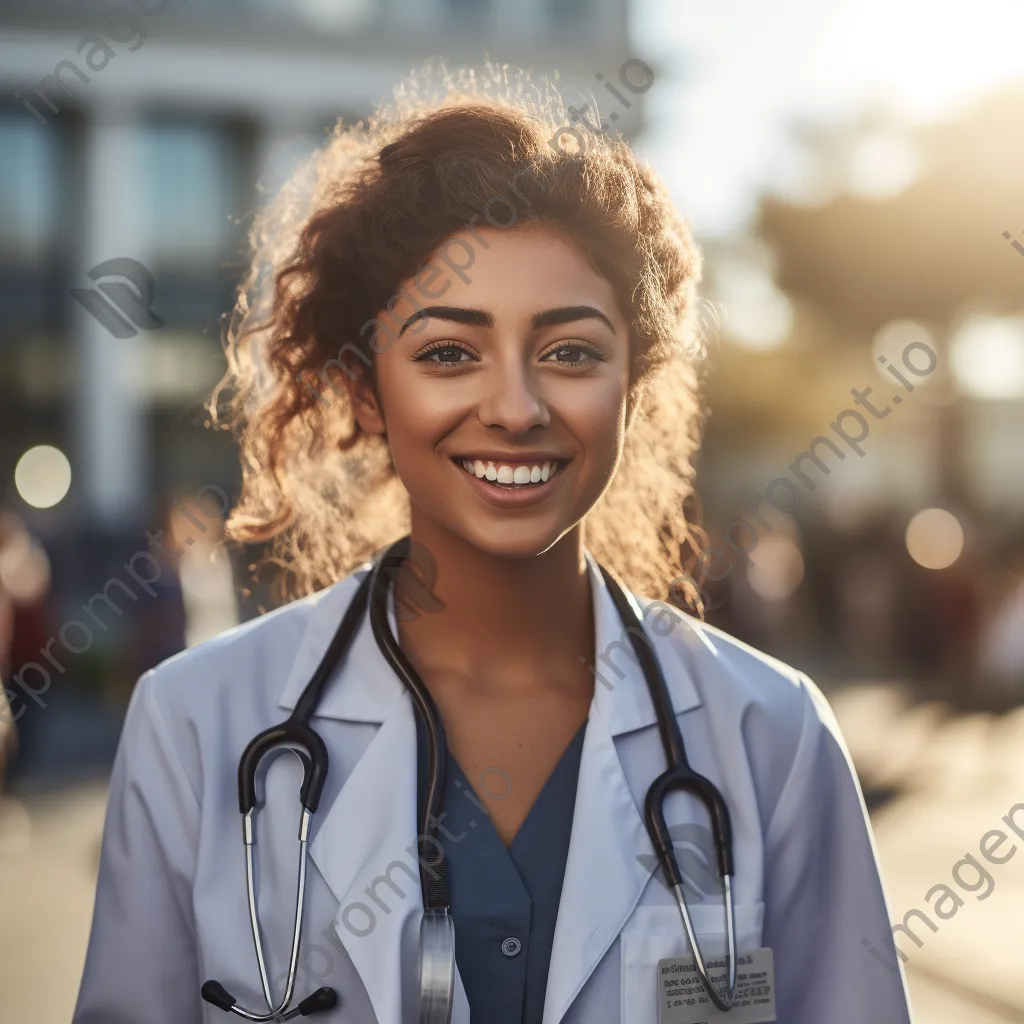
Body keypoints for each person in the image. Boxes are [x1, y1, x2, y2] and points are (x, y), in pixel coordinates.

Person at [73, 66, 913, 1024]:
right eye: (447, 353)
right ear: (362, 391)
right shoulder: (195, 725)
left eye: (570, 352)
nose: (515, 408)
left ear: (633, 386)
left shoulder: (773, 737)